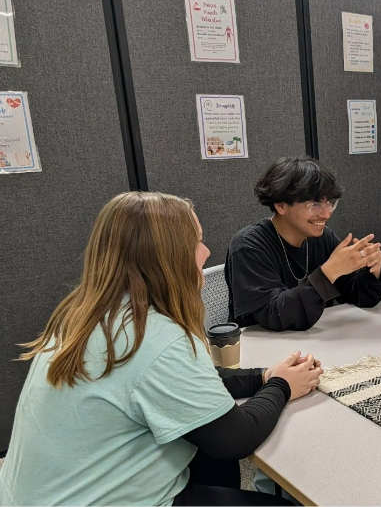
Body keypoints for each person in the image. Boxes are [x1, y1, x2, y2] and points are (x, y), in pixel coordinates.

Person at [0, 192, 323, 506]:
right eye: (197, 241)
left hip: (38, 495)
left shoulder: (87, 315)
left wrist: (263, 376)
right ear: (170, 256)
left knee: (208, 460)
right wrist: (281, 387)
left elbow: (180, 383)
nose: (206, 251)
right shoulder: (156, 337)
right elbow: (236, 439)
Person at [226, 156, 381, 332]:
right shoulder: (248, 246)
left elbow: (360, 296)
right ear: (281, 206)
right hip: (263, 348)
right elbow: (275, 316)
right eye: (315, 205)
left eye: (329, 203)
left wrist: (373, 268)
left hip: (314, 343)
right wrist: (329, 272)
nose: (326, 214)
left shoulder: (322, 237)